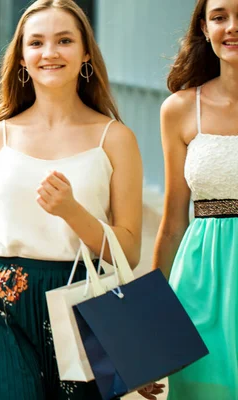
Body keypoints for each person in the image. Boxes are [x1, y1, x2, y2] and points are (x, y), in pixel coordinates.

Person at [0, 0, 145, 399]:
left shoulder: (115, 138)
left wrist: (72, 212)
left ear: (86, 52)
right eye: (36, 42)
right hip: (5, 303)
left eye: (64, 40)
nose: (49, 52)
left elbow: (130, 251)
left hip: (88, 302)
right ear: (21, 57)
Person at [153, 0, 238, 398]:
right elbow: (172, 223)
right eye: (220, 17)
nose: (231, 27)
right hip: (201, 288)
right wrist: (151, 325)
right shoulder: (180, 110)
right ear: (205, 29)